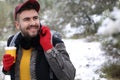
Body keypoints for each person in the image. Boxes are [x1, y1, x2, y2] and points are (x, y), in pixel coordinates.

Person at [2, 0, 76, 80]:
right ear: (17, 25)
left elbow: (69, 76)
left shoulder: (53, 41)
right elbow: (18, 71)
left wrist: (49, 49)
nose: (33, 23)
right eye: (27, 19)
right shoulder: (13, 42)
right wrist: (6, 68)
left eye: (35, 18)